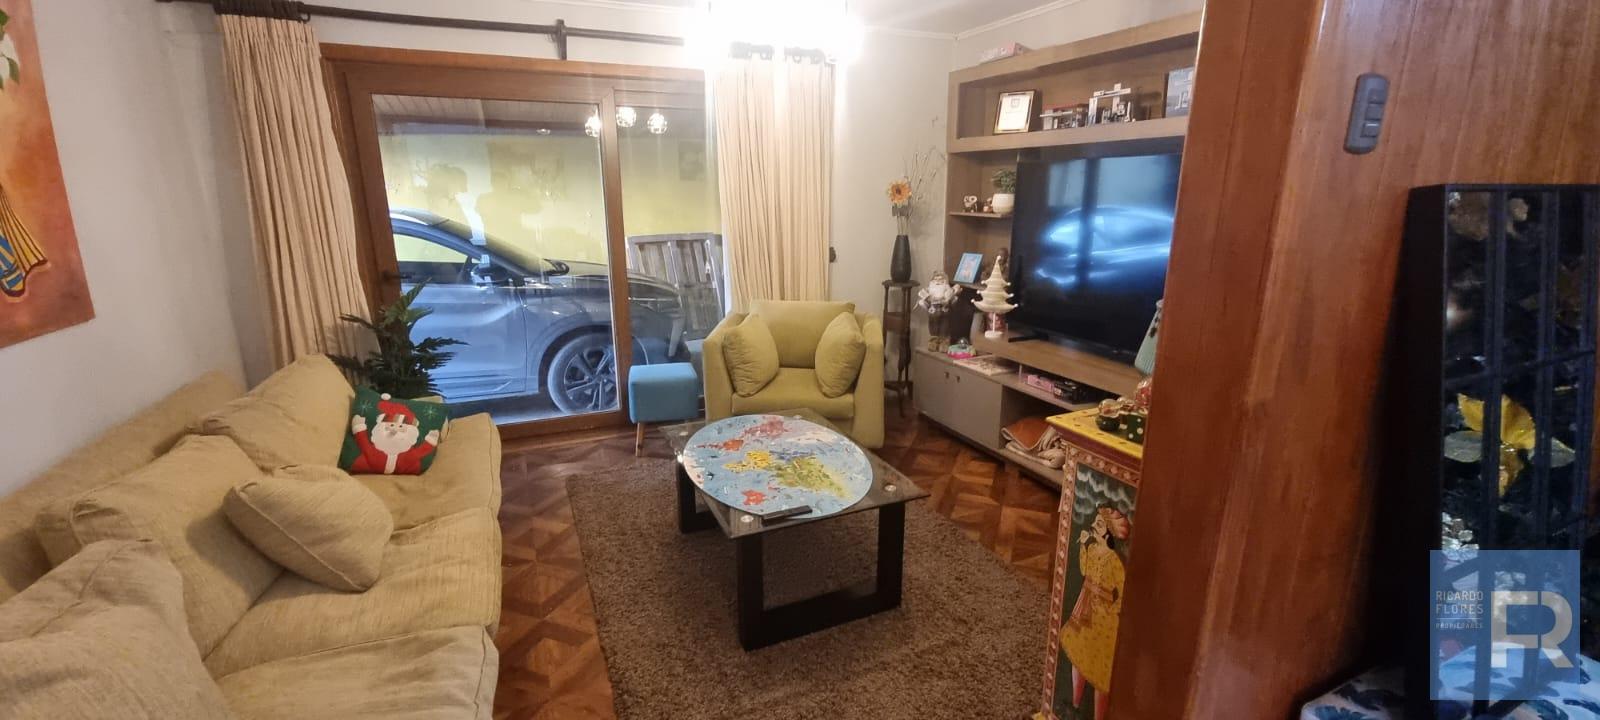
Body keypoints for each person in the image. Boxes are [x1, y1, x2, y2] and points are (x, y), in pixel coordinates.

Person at [1059, 504, 1131, 720]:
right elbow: (1084, 569)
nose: (1093, 526)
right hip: (1085, 606)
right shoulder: (1092, 549)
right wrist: (1082, 545)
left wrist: (1113, 610)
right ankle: (1075, 705)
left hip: (1103, 616)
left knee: (1100, 671)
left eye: (1098, 524)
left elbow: (1123, 588)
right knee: (1078, 655)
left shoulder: (1113, 560)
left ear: (1107, 532)